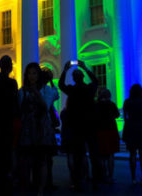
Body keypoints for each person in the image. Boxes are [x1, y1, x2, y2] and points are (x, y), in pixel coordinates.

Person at [59, 60, 101, 191]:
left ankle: (78, 181)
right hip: (90, 125)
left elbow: (61, 85)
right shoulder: (89, 89)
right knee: (93, 155)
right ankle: (94, 181)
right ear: (82, 77)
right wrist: (86, 68)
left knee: (78, 155)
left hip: (77, 127)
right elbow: (96, 81)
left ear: (74, 78)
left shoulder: (72, 90)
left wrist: (65, 70)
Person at [18, 63, 57, 195]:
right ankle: (27, 186)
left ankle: (40, 189)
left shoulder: (46, 90)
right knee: (26, 160)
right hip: (28, 129)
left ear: (38, 75)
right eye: (29, 73)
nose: (31, 76)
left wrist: (36, 92)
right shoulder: (22, 91)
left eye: (34, 73)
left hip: (42, 129)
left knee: (42, 160)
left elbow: (46, 106)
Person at [0, 55, 18, 196]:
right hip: (7, 122)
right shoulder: (11, 83)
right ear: (10, 67)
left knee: (0, 155)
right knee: (6, 154)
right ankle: (5, 183)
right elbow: (15, 103)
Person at [122, 83, 142, 186]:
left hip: (131, 127)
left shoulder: (127, 102)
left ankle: (133, 178)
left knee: (132, 154)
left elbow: (125, 116)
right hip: (141, 126)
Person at [95, 87, 120, 183]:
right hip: (111, 131)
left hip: (100, 131)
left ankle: (103, 174)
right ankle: (110, 175)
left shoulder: (96, 105)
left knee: (101, 155)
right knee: (110, 155)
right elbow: (117, 115)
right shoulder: (111, 104)